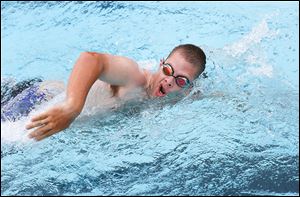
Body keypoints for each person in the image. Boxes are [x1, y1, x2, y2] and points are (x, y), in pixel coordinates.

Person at [24, 44, 206, 141]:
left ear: (188, 86)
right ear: (161, 63)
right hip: (38, 101)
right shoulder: (134, 77)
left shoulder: (179, 95)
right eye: (167, 70)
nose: (169, 81)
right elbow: (91, 59)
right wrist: (72, 106)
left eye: (180, 80)